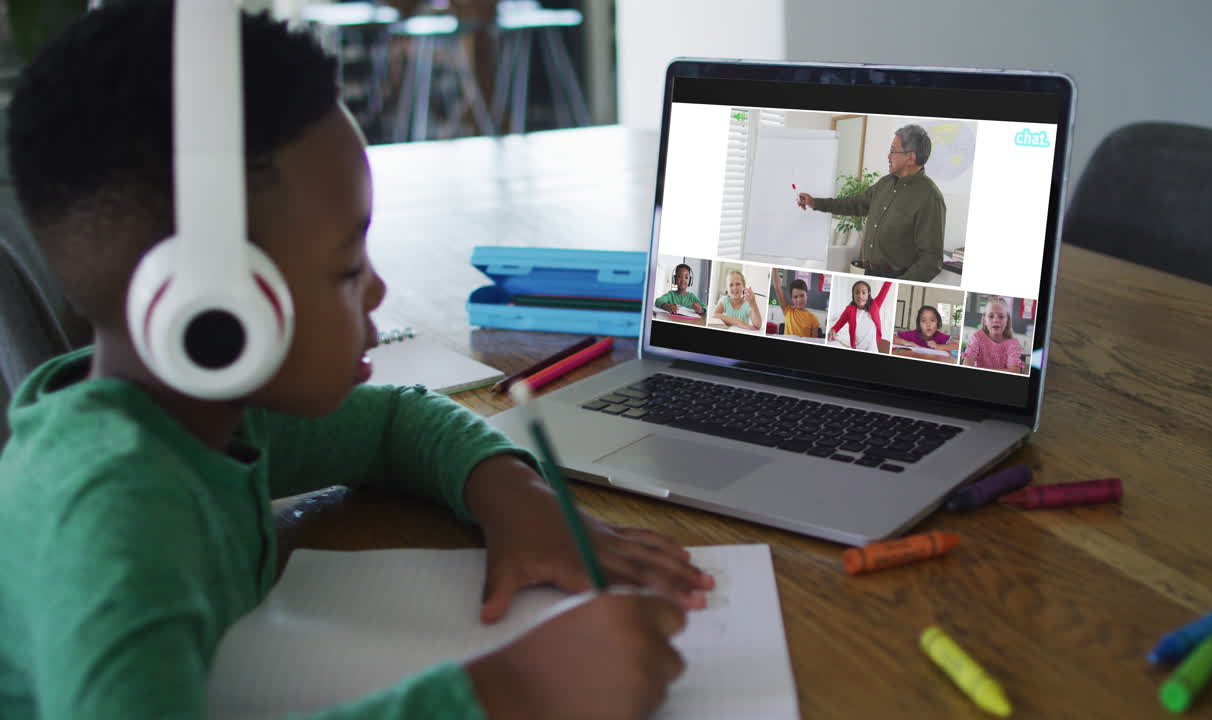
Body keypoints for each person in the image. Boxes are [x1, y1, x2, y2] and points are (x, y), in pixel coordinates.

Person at [0, 4, 712, 719]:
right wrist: (510, 694)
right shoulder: (113, 521)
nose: (376, 288)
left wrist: (516, 500)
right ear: (214, 311)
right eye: (346, 269)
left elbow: (392, 422)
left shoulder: (203, 418)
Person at [796, 124, 946, 282]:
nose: (888, 156)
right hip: (869, 273)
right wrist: (815, 203)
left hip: (895, 278)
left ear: (910, 157)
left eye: (893, 151)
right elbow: (854, 204)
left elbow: (931, 262)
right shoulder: (885, 184)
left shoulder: (930, 198)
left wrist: (898, 283)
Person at [961, 298, 1025, 373]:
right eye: (991, 316)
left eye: (1001, 317)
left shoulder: (1013, 344)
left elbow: (1014, 371)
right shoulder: (977, 337)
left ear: (1007, 320)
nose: (995, 320)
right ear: (985, 320)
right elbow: (967, 363)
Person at [828, 280, 892, 351]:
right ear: (853, 295)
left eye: (864, 293)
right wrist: (832, 331)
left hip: (872, 347)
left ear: (868, 294)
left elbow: (886, 287)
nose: (860, 296)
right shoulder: (849, 310)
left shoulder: (875, 305)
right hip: (856, 347)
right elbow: (837, 325)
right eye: (857, 292)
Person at [770, 269, 822, 338]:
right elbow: (777, 288)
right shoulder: (787, 310)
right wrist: (774, 269)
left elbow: (814, 341)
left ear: (807, 295)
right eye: (795, 297)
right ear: (791, 298)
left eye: (802, 295)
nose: (799, 299)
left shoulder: (813, 319)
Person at [894, 305, 959, 354]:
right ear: (919, 324)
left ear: (937, 323)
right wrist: (907, 343)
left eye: (932, 320)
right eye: (924, 320)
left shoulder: (940, 336)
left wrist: (938, 346)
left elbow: (957, 346)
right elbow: (892, 337)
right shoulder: (913, 334)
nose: (928, 324)